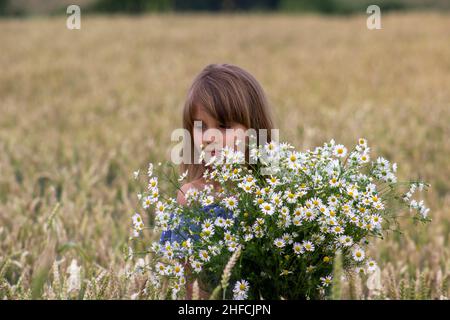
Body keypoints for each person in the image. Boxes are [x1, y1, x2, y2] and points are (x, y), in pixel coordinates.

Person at [161, 63, 275, 299]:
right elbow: (191, 287)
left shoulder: (272, 195)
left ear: (253, 130)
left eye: (224, 126)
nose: (211, 137)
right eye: (201, 127)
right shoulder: (190, 196)